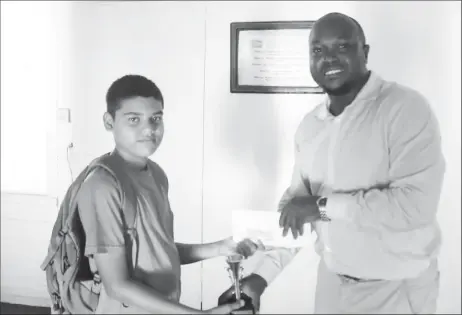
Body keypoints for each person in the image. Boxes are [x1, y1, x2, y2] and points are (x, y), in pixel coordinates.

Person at [219, 12, 446, 314]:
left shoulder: (404, 109)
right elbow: (295, 213)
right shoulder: (310, 126)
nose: (329, 58)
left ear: (364, 52)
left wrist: (321, 207)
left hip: (395, 289)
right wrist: (259, 279)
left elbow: (414, 207)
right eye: (318, 50)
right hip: (331, 286)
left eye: (342, 47)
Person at [77, 74, 261, 314]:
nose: (149, 129)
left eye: (156, 118)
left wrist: (220, 247)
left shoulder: (156, 174)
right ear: (109, 122)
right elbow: (117, 286)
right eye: (134, 119)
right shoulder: (102, 186)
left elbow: (157, 249)